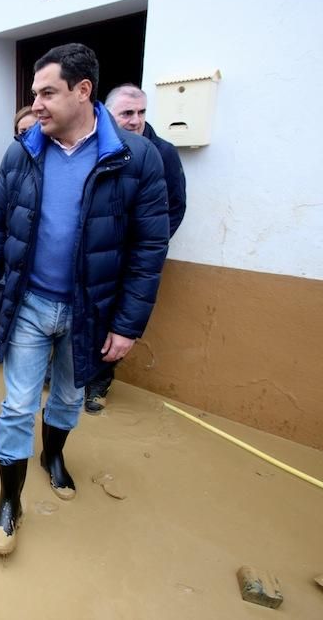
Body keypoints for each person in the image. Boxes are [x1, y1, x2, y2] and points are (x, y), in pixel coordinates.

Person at [0, 43, 169, 555]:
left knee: (66, 397)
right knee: (17, 404)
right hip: (30, 304)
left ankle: (52, 458)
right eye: (34, 93)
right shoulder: (23, 151)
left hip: (91, 309)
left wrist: (127, 324)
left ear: (83, 91)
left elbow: (149, 248)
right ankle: (8, 504)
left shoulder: (135, 158)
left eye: (47, 93)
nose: (36, 104)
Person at [82, 84, 187, 413]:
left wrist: (146, 245)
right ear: (108, 113)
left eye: (142, 112)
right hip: (96, 253)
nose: (136, 120)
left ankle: (100, 380)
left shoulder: (161, 152)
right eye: (127, 113)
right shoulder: (94, 147)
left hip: (131, 258)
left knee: (117, 320)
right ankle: (68, 370)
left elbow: (175, 206)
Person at [0, 106, 39, 361]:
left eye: (33, 130)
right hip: (12, 260)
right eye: (22, 131)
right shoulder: (12, 161)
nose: (28, 136)